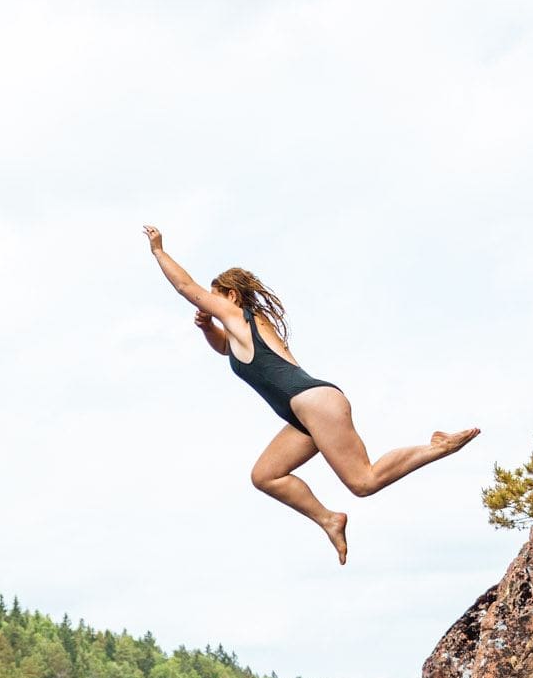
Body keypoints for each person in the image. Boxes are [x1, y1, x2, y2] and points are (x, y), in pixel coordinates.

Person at [143, 226, 479, 566]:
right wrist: (206, 328)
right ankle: (330, 519)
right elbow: (223, 348)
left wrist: (159, 251)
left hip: (315, 402)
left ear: (230, 297)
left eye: (214, 299)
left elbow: (186, 287)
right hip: (302, 414)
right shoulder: (238, 334)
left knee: (364, 481)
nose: (210, 306)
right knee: (265, 475)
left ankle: (438, 446)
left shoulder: (243, 316)